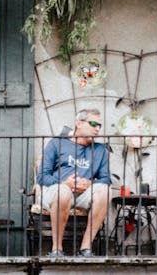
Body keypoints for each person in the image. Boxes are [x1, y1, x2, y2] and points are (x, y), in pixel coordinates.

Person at [37, 108, 111, 257]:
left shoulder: (100, 150)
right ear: (78, 123)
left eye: (99, 126)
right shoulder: (56, 144)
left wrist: (90, 184)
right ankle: (56, 249)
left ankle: (85, 248)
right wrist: (64, 183)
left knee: (105, 190)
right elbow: (42, 177)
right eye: (93, 124)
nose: (97, 129)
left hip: (82, 195)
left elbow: (106, 179)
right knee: (63, 191)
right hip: (54, 193)